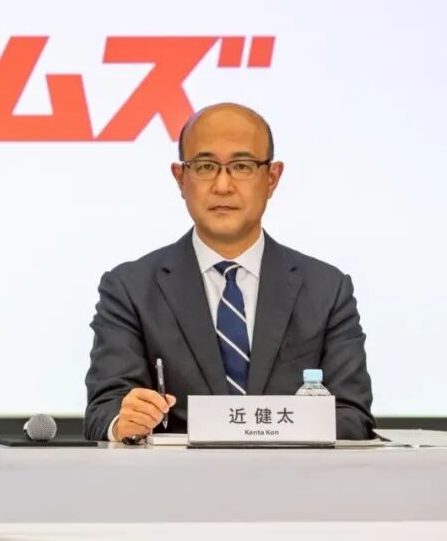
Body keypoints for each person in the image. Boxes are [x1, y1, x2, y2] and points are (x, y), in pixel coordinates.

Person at [84, 103, 374, 441]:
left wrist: (268, 433)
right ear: (181, 178)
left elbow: (353, 417)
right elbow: (104, 410)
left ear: (272, 178)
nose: (222, 185)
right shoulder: (130, 289)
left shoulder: (327, 290)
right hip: (176, 475)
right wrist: (124, 421)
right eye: (205, 166)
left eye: (242, 166)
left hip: (292, 474)